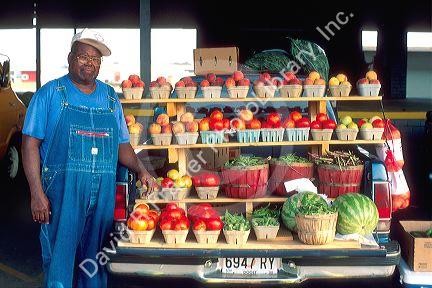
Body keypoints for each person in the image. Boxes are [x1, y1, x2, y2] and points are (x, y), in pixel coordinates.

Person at [21, 28, 157, 288]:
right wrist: (36, 193)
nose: (89, 63)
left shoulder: (109, 98)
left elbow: (122, 146)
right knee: (59, 263)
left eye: (95, 59)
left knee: (95, 264)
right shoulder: (50, 94)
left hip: (103, 195)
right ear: (71, 57)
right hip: (62, 194)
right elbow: (29, 144)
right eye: (84, 56)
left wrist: (142, 170)